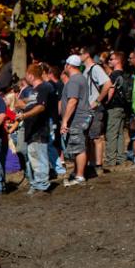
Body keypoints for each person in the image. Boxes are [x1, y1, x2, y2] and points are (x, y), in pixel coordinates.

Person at [17, 64, 53, 194]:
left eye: (26, 74)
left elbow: (41, 107)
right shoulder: (33, 91)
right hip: (31, 130)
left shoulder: (44, 87)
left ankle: (42, 186)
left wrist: (24, 115)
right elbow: (25, 103)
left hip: (39, 129)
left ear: (31, 75)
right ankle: (37, 184)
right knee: (33, 157)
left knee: (39, 157)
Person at [58, 54, 91, 186]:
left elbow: (72, 101)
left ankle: (79, 176)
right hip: (81, 117)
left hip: (77, 118)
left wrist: (65, 120)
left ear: (69, 65)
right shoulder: (81, 78)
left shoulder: (74, 81)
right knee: (79, 146)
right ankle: (78, 172)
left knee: (79, 147)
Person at [104, 51, 132, 168]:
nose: (109, 61)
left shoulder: (114, 75)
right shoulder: (125, 74)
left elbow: (110, 91)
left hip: (114, 107)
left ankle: (110, 160)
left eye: (112, 59)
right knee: (120, 133)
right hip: (123, 107)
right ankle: (121, 158)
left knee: (111, 133)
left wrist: (105, 102)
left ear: (118, 61)